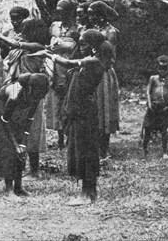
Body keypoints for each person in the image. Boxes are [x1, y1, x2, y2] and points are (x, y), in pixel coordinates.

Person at [37, 29, 110, 205]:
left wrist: (49, 55)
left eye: (84, 44)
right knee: (82, 150)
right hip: (81, 110)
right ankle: (89, 192)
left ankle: (86, 194)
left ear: (93, 46)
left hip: (84, 111)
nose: (81, 47)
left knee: (85, 151)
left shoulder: (93, 61)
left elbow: (68, 62)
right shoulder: (91, 60)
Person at [0, 18, 49, 177]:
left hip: (32, 91)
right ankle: (19, 165)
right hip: (17, 90)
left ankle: (35, 170)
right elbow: (8, 50)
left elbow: (15, 45)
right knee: (17, 127)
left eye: (24, 31)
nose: (21, 33)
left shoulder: (37, 47)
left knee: (32, 130)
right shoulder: (21, 48)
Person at [0, 73, 49, 196]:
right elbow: (5, 120)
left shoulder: (37, 95)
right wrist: (16, 145)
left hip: (14, 115)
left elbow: (29, 119)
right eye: (38, 94)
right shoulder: (14, 95)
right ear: (30, 89)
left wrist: (23, 142)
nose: (40, 97)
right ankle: (9, 189)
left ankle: (18, 187)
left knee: (21, 152)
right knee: (8, 149)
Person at [44, 0, 80, 149]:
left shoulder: (78, 28)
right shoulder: (54, 26)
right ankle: (59, 138)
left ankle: (69, 136)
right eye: (58, 11)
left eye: (63, 11)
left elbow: (78, 48)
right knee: (57, 101)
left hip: (70, 66)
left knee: (70, 100)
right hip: (56, 66)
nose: (60, 14)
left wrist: (65, 47)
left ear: (71, 12)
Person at [89, 1, 120, 158]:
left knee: (105, 108)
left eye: (93, 14)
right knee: (94, 108)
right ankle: (94, 145)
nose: (90, 17)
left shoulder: (110, 32)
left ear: (100, 15)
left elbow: (108, 55)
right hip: (92, 71)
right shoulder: (93, 30)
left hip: (104, 72)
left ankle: (104, 148)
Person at [143, 55, 168, 158]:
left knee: (164, 130)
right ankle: (145, 148)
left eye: (165, 69)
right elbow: (148, 92)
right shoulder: (153, 79)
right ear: (157, 68)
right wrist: (149, 104)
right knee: (148, 128)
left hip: (164, 108)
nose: (162, 71)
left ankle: (164, 152)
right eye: (160, 68)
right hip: (153, 108)